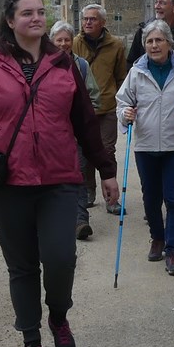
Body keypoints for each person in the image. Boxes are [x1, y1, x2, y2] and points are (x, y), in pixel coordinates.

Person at [0, 0, 119, 347]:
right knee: (22, 266)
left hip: (59, 177)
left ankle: (58, 317)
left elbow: (86, 125)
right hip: (7, 182)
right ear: (10, 21)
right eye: (27, 13)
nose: (36, 18)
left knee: (61, 257)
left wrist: (106, 171)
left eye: (41, 12)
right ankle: (30, 340)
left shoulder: (64, 65)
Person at [115, 20, 174, 276]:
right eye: (149, 41)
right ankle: (157, 237)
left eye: (158, 40)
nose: (154, 45)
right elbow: (122, 103)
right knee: (150, 198)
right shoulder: (136, 72)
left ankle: (173, 250)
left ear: (169, 43)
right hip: (145, 146)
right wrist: (126, 114)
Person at [72, 3, 129, 220]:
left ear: (103, 22)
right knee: (85, 154)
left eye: (92, 19)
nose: (87, 22)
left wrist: (121, 100)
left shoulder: (115, 45)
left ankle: (111, 198)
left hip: (106, 107)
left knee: (107, 151)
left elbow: (121, 76)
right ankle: (88, 191)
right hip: (81, 109)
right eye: (85, 19)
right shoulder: (74, 43)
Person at [50, 19, 101, 240]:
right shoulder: (42, 65)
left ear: (72, 42)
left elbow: (94, 97)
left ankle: (81, 221)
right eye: (59, 40)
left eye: (67, 40)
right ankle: (57, 219)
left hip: (76, 134)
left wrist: (83, 121)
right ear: (51, 41)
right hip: (51, 135)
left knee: (78, 174)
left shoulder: (81, 66)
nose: (63, 44)